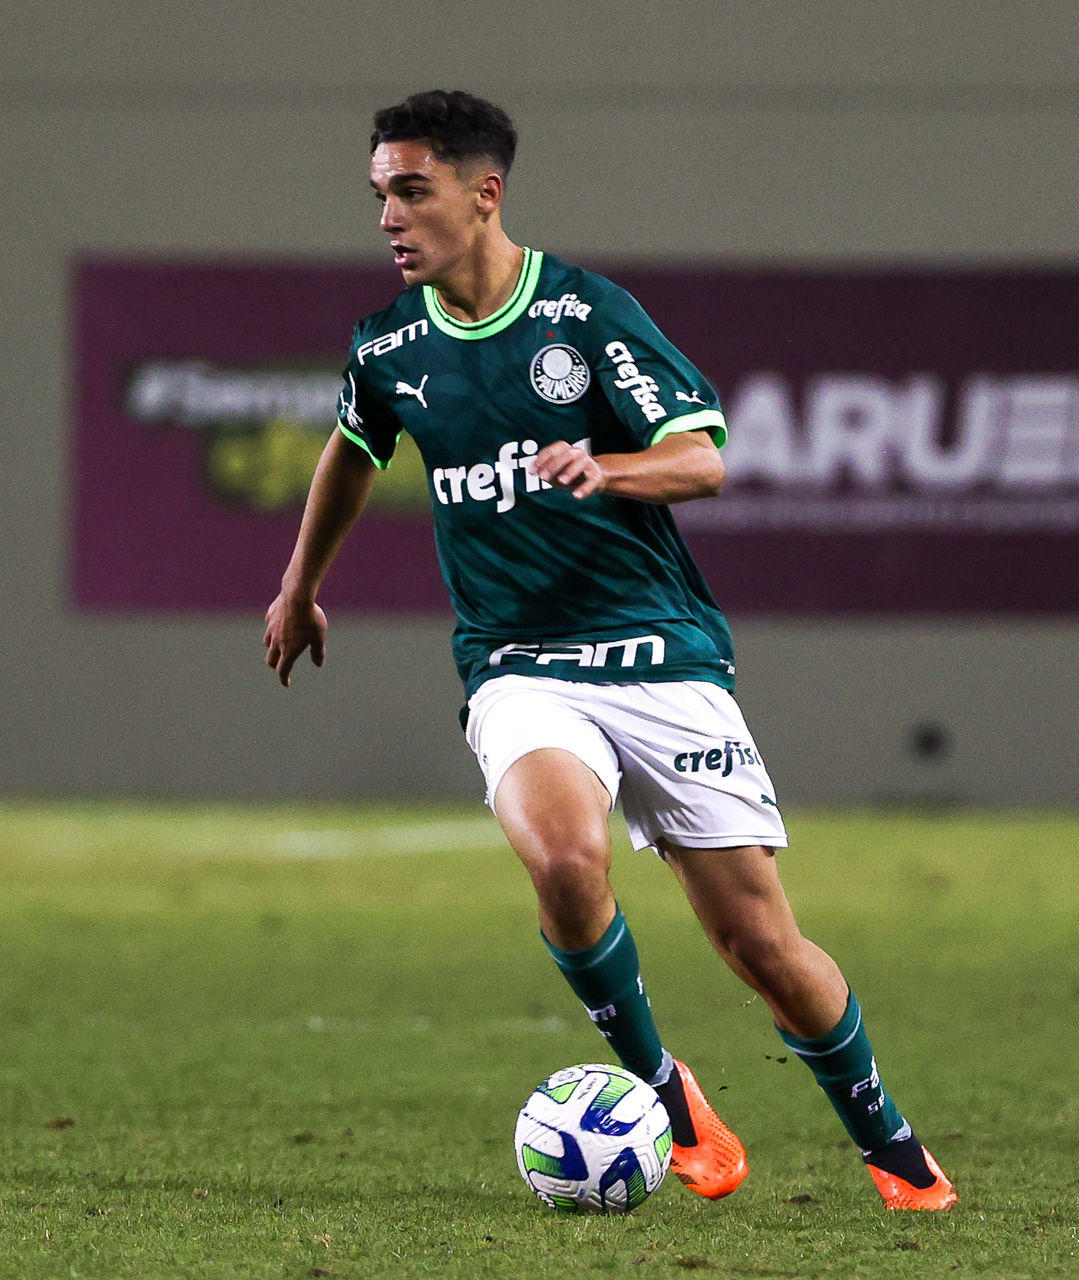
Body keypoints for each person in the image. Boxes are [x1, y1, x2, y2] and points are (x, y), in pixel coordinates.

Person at [264, 89, 956, 1211]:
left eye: (411, 190)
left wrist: (608, 465)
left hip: (660, 655)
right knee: (563, 860)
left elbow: (703, 456)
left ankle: (890, 1145)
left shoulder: (584, 314)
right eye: (379, 194)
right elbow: (352, 448)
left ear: (483, 194)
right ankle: (665, 1095)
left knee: (759, 943)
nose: (388, 216)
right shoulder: (386, 344)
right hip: (516, 662)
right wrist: (300, 588)